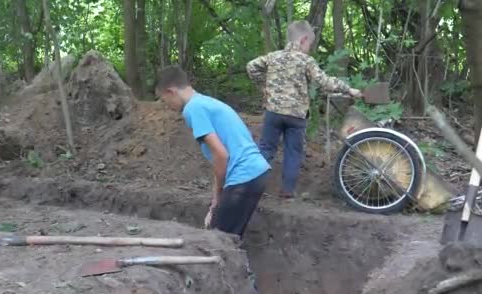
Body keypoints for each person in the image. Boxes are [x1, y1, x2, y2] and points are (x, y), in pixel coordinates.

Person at [246, 20, 362, 198]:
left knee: (266, 149)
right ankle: (287, 192)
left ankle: (251, 187)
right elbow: (324, 82)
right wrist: (349, 89)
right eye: (310, 44)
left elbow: (251, 66)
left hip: (273, 112)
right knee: (293, 152)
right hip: (296, 116)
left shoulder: (273, 56)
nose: (309, 48)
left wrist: (264, 87)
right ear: (303, 40)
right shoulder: (306, 60)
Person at [155, 65, 270, 239]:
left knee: (218, 240)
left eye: (164, 101)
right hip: (257, 174)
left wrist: (218, 196)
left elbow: (221, 154)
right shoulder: (207, 103)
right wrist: (216, 200)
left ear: (171, 91)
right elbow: (220, 157)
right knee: (230, 238)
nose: (168, 106)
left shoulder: (193, 109)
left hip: (243, 176)